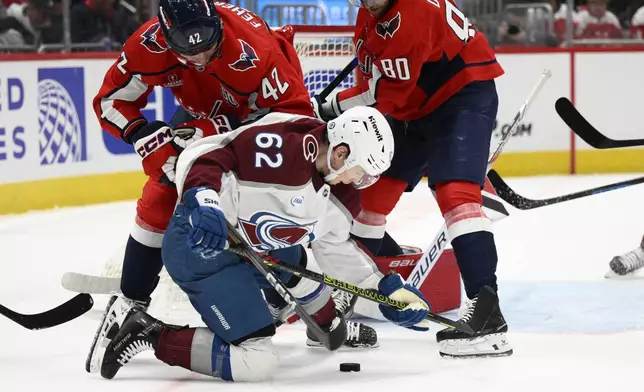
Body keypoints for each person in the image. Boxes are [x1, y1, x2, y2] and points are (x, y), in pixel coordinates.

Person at [92, 0, 377, 349]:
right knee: (163, 193)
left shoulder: (255, 49)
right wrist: (140, 134)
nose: (199, 59)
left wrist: (216, 130)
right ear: (166, 36)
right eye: (188, 51)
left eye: (208, 47)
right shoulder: (147, 45)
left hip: (261, 125)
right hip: (206, 116)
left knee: (273, 217)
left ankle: (316, 312)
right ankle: (130, 303)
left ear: (219, 25)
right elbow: (110, 101)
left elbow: (296, 120)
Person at [87, 106, 432, 381]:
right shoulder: (285, 147)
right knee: (257, 360)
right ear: (341, 153)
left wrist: (384, 288)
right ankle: (149, 332)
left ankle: (300, 317)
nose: (361, 182)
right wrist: (204, 200)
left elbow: (336, 248)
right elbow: (207, 155)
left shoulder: (340, 193)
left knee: (311, 288)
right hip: (205, 248)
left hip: (259, 246)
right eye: (362, 172)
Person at [312, 0, 512, 358]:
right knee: (369, 198)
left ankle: (488, 315)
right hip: (414, 102)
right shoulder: (371, 10)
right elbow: (371, 79)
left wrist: (326, 107)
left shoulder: (413, 16)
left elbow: (384, 97)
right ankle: (349, 289)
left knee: (456, 194)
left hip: (460, 96)